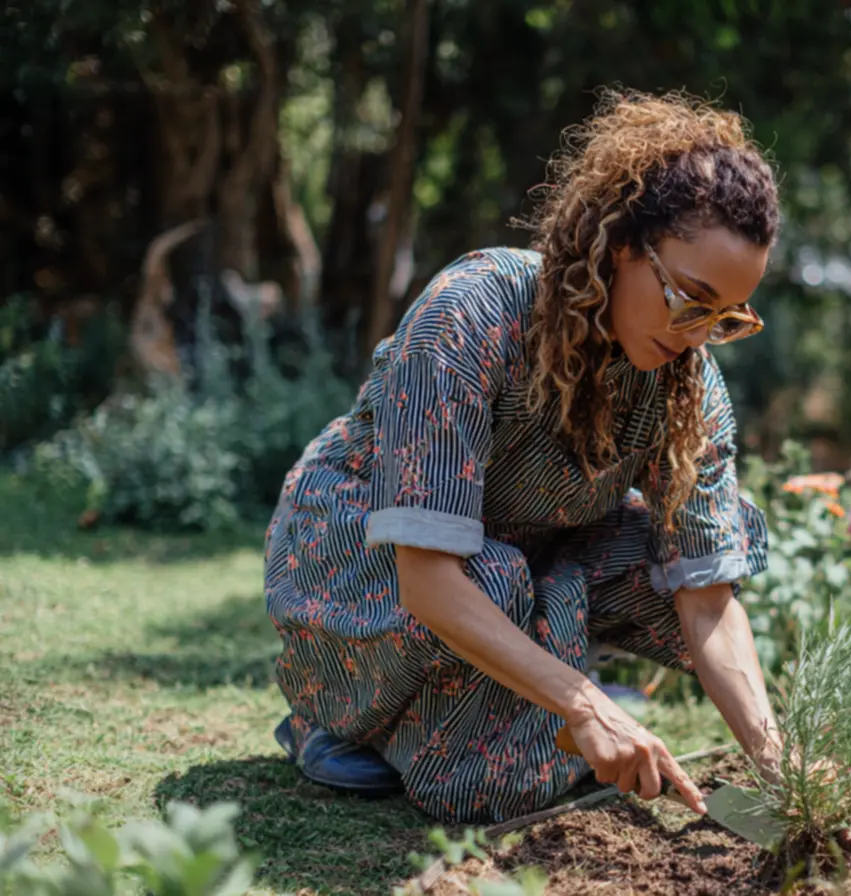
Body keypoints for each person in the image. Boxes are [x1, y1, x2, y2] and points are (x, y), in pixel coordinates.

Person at [263, 88, 783, 824]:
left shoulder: (683, 382)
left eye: (725, 317)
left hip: (519, 560)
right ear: (623, 244)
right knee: (484, 774)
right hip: (359, 562)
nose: (699, 335)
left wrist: (775, 760)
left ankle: (508, 700)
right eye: (689, 299)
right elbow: (428, 578)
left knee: (706, 548)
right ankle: (341, 719)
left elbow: (704, 600)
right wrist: (582, 702)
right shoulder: (473, 313)